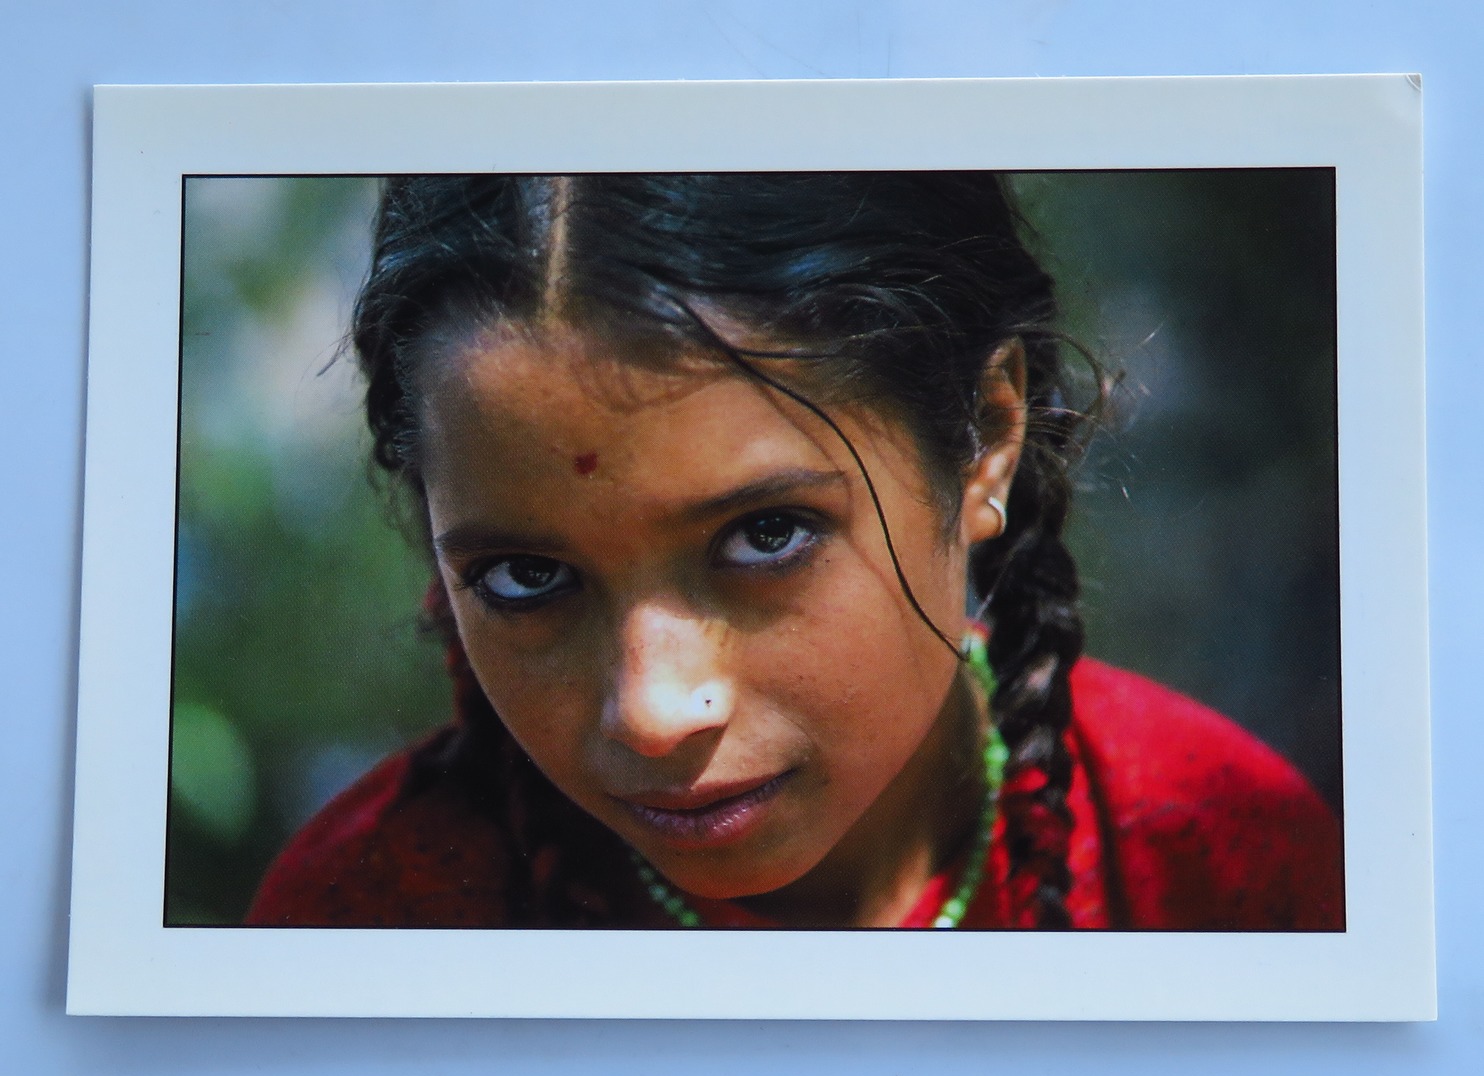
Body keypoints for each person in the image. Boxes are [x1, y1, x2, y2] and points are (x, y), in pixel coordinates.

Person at [246, 172, 1344, 931]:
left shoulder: (1214, 861)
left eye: (764, 535)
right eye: (525, 578)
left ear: (986, 437)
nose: (653, 711)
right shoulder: (369, 917)